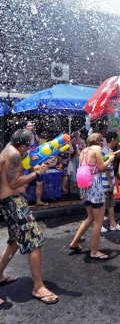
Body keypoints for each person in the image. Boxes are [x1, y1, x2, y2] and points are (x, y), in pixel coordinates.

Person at [0, 129, 59, 304]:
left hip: (10, 202)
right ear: (23, 145)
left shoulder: (11, 150)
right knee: (35, 240)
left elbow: (17, 171)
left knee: (15, 241)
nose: (31, 149)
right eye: (30, 145)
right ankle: (38, 287)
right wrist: (37, 173)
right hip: (13, 203)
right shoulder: (14, 154)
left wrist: (40, 163)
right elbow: (14, 182)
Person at [69, 133, 115, 260]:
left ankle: (74, 242)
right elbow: (100, 167)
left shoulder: (84, 151)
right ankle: (94, 251)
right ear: (100, 142)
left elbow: (89, 167)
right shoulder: (97, 149)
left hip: (85, 187)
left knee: (90, 217)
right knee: (98, 221)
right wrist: (110, 160)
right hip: (96, 186)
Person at [101, 132, 120, 233]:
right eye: (116, 140)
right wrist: (111, 182)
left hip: (106, 182)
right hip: (105, 182)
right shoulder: (107, 152)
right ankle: (100, 224)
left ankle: (112, 223)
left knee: (110, 204)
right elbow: (106, 168)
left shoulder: (106, 150)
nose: (116, 142)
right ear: (113, 139)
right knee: (104, 205)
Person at [25, 121, 48, 206]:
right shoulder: (23, 137)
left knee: (40, 182)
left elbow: (40, 148)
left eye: (32, 126)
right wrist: (29, 154)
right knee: (25, 182)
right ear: (25, 127)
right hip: (27, 163)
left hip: (37, 162)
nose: (32, 127)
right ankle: (24, 202)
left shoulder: (36, 137)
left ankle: (38, 201)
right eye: (29, 126)